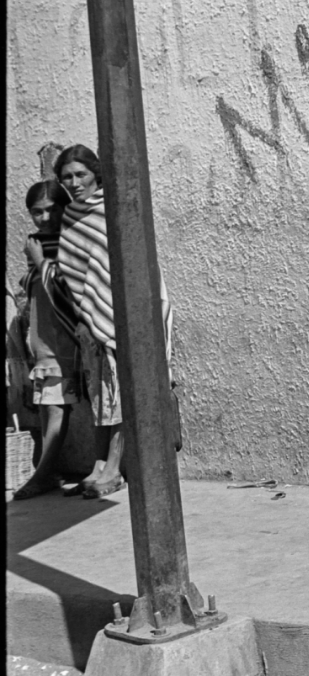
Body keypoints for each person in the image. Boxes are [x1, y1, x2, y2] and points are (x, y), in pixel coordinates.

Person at [51, 144, 174, 499]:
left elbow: (128, 266)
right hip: (93, 320)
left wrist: (114, 312)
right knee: (101, 390)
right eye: (67, 177)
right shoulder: (72, 216)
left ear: (96, 174)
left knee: (120, 387)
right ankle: (98, 463)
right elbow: (76, 273)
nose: (74, 183)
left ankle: (115, 466)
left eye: (80, 175)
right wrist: (85, 315)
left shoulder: (112, 209)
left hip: (129, 314)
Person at [10, 179, 81, 499]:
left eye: (51, 209)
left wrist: (40, 262)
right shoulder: (36, 242)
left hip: (62, 338)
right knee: (46, 406)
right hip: (41, 337)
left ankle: (43, 473)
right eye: (36, 212)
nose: (44, 218)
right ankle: (47, 470)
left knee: (55, 406)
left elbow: (68, 291)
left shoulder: (70, 241)